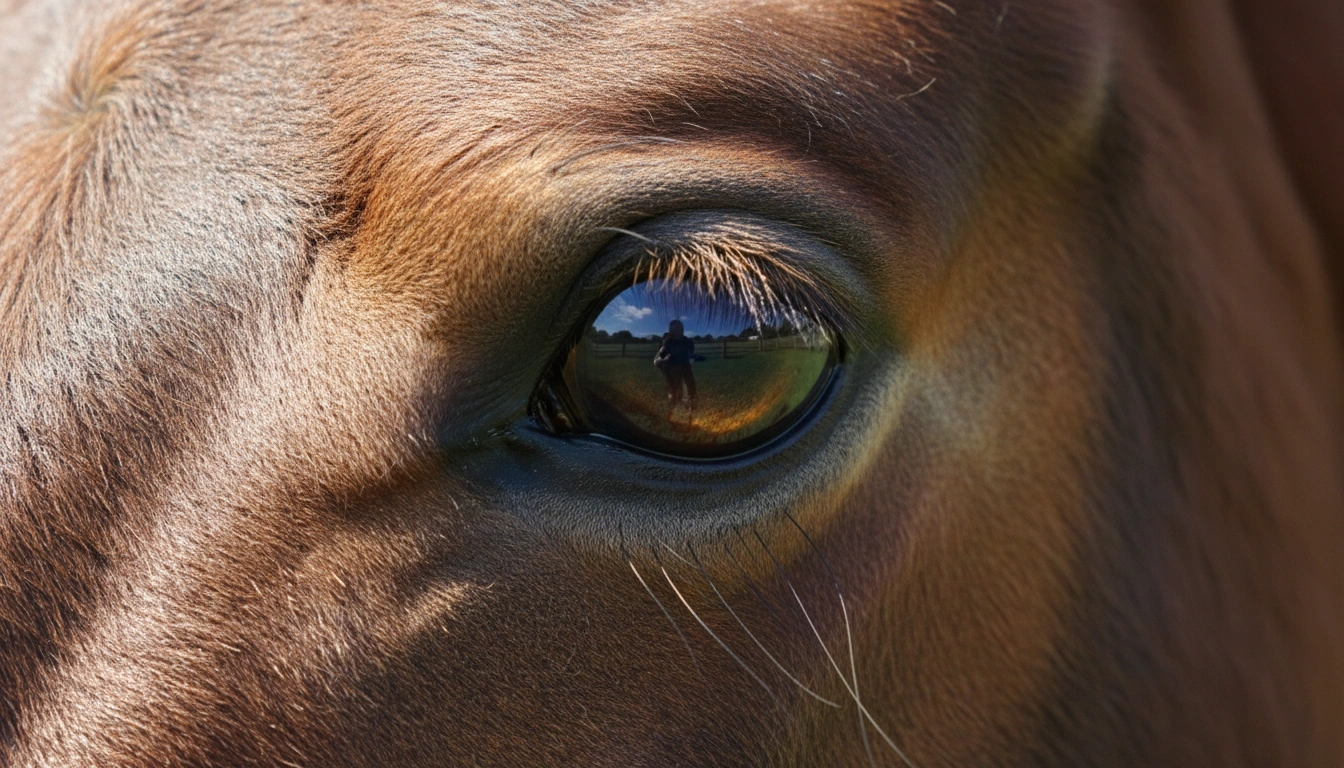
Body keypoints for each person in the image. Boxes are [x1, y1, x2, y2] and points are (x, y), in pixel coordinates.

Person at [653, 319, 697, 414]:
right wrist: (662, 360)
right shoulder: (668, 342)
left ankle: (691, 403)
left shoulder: (688, 341)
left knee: (690, 385)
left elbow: (691, 354)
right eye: (674, 330)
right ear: (670, 331)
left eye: (679, 329)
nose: (677, 332)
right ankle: (674, 401)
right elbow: (661, 357)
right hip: (672, 368)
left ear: (682, 329)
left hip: (686, 367)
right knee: (675, 388)